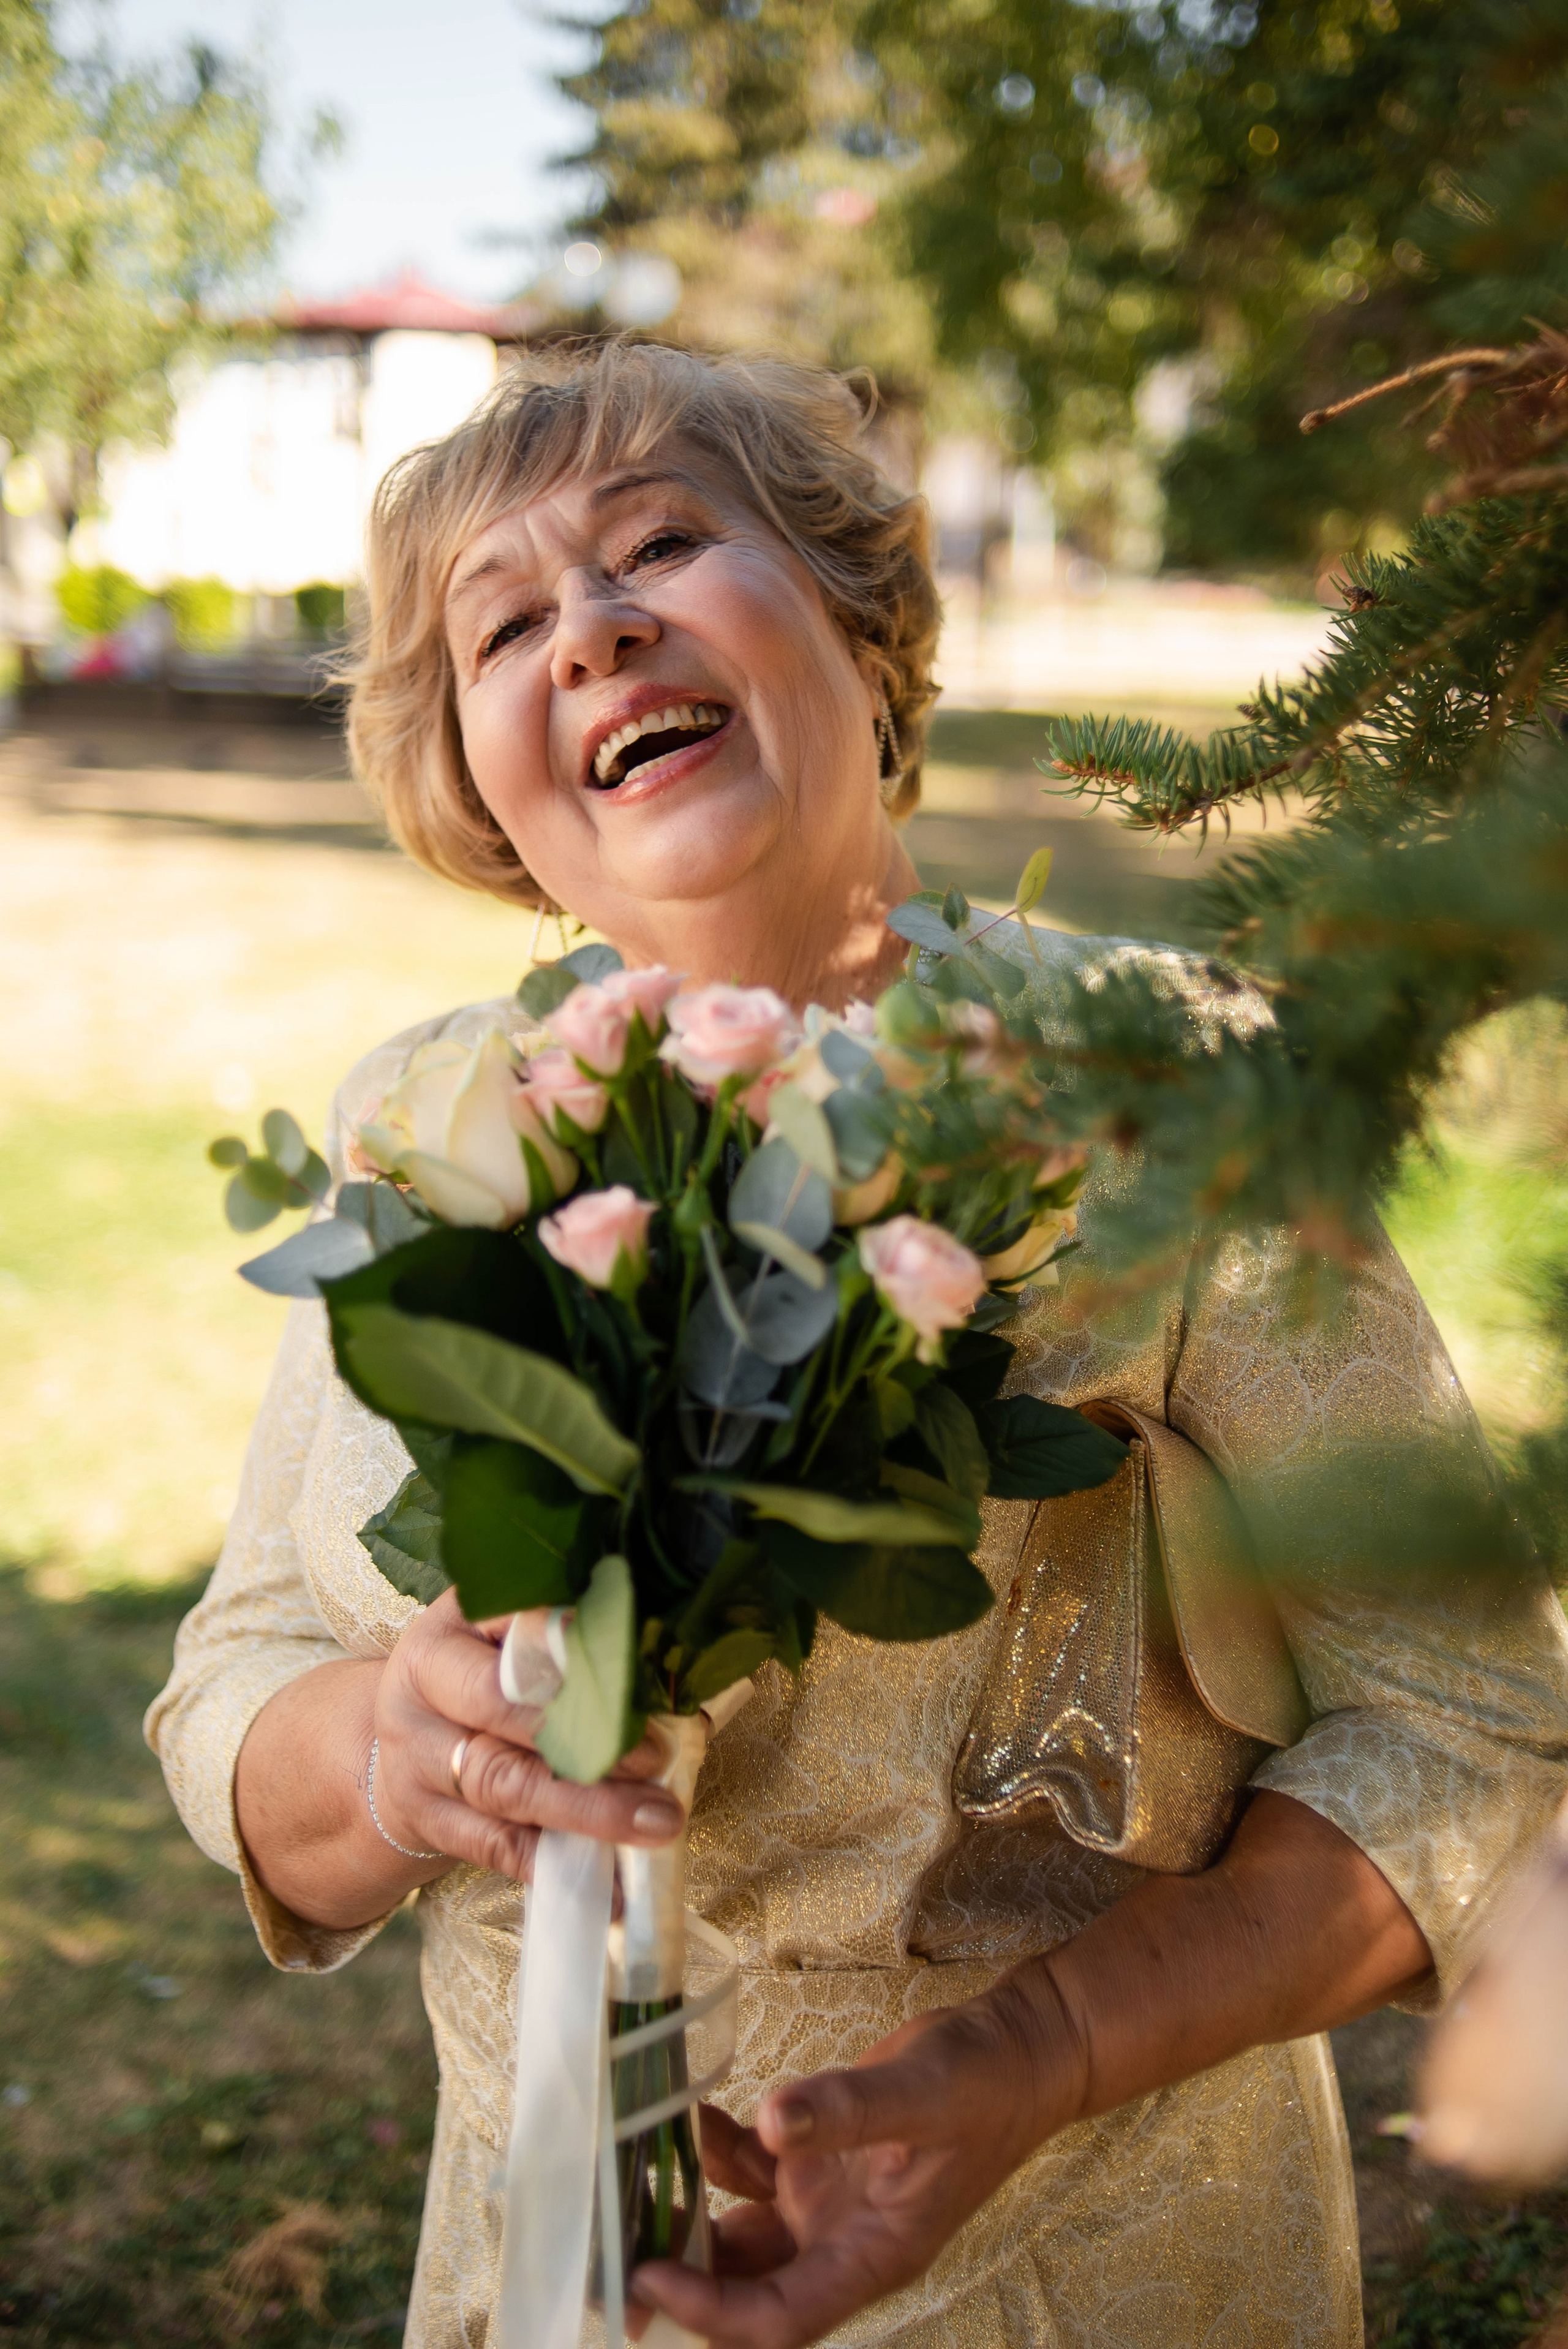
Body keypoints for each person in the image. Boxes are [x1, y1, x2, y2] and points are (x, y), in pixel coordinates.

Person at [148, 340, 1568, 2349]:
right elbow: (238, 1687)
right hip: (542, 2277)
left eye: (658, 545)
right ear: (475, 789)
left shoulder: (1162, 1092)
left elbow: (1467, 1718)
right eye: (508, 623)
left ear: (858, 626)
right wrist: (385, 1757)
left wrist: (1042, 2048)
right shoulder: (425, 1125)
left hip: (1088, 2270)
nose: (594, 627)